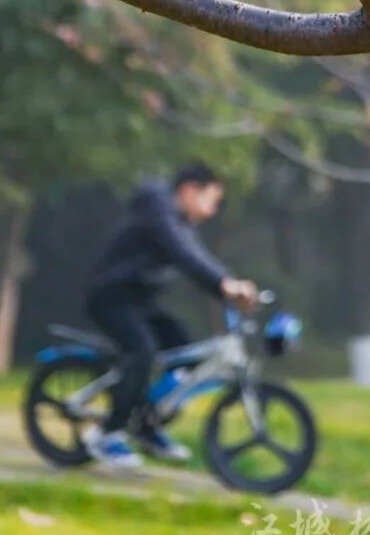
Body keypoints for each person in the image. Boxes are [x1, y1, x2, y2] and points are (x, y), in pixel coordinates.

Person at [81, 161, 259, 471]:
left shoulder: (177, 222)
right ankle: (107, 433)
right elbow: (183, 254)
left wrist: (226, 285)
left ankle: (145, 425)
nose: (211, 211)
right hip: (110, 299)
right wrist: (224, 284)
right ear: (190, 191)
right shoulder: (157, 211)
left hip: (140, 303)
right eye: (211, 200)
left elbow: (196, 258)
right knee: (143, 352)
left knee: (184, 351)